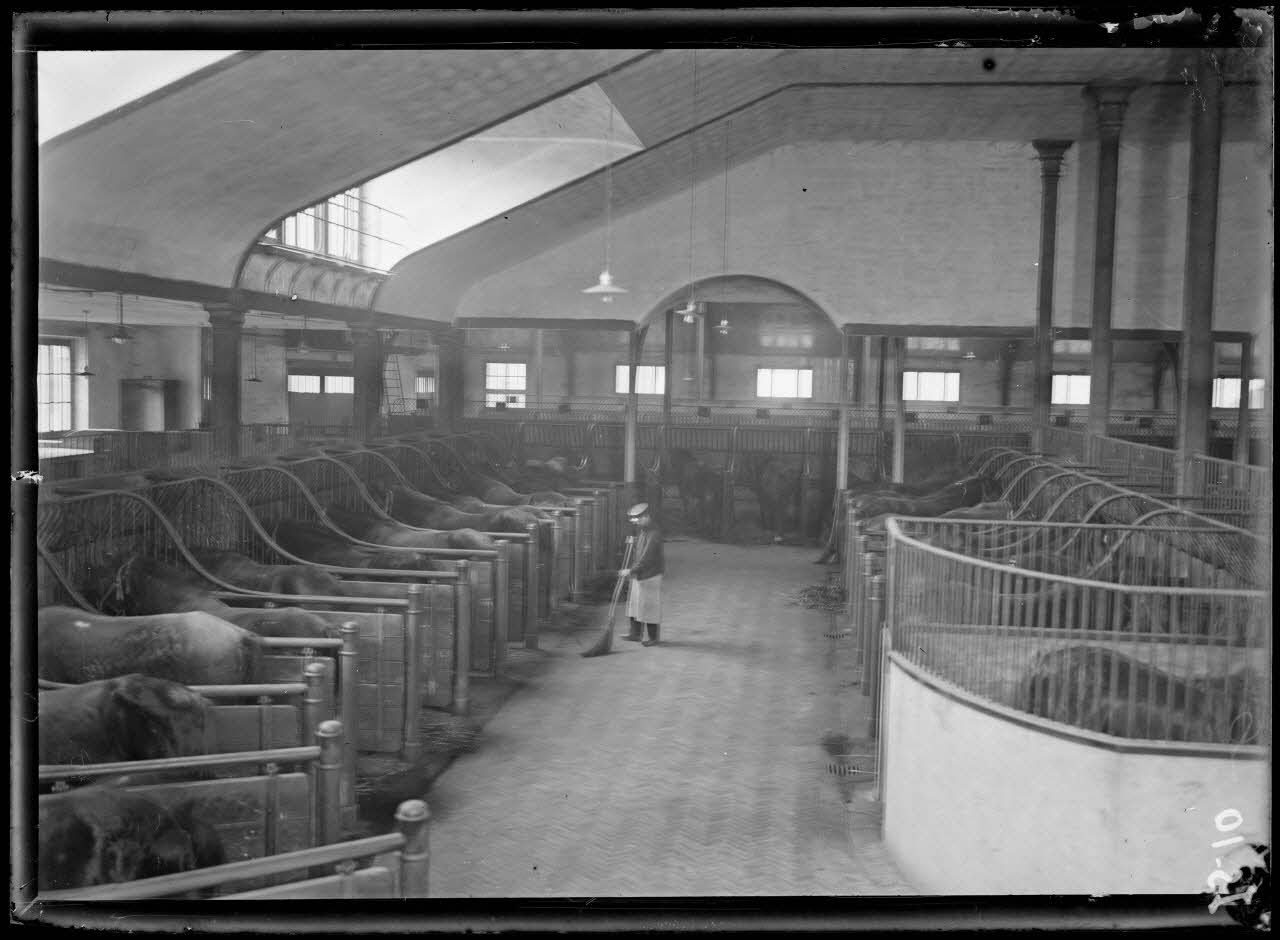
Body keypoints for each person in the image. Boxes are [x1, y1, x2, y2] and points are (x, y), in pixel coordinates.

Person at [621, 502, 665, 646]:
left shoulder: (654, 534)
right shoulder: (643, 531)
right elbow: (640, 552)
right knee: (635, 603)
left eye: (639, 519)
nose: (637, 523)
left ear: (647, 517)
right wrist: (634, 542)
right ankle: (635, 634)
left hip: (651, 575)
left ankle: (653, 638)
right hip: (640, 573)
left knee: (650, 606)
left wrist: (631, 570)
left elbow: (647, 557)